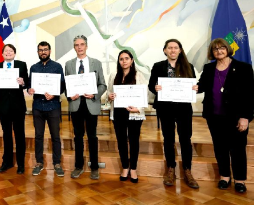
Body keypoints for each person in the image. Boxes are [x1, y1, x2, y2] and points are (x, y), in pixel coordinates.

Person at [196, 38, 254, 193]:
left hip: (236, 117)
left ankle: (240, 180)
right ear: (212, 52)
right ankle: (225, 177)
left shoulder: (243, 68)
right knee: (220, 148)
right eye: (215, 49)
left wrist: (245, 117)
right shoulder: (208, 69)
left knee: (238, 149)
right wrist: (189, 87)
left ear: (228, 49)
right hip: (214, 116)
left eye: (222, 48)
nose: (219, 51)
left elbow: (249, 95)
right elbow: (201, 86)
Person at [148, 39, 199, 188]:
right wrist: (155, 88)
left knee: (185, 139)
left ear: (180, 50)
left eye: (175, 48)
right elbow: (152, 85)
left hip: (183, 109)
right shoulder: (158, 66)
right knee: (168, 139)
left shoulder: (188, 66)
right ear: (165, 50)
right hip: (165, 108)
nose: (172, 50)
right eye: (169, 48)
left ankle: (187, 170)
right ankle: (171, 169)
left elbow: (193, 84)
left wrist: (194, 88)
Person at [65, 35, 107, 180]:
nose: (80, 47)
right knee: (77, 137)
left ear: (86, 46)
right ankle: (78, 166)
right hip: (76, 105)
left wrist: (95, 94)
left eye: (82, 44)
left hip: (91, 104)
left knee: (92, 137)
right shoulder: (69, 64)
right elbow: (67, 85)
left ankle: (94, 167)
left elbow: (103, 84)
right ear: (74, 47)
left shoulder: (96, 63)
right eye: (77, 45)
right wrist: (70, 96)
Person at [107, 50, 146, 183]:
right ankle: (125, 167)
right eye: (121, 59)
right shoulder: (114, 75)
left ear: (132, 60)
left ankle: (133, 168)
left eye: (126, 58)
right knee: (121, 141)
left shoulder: (138, 75)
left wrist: (138, 108)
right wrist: (109, 96)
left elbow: (144, 95)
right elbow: (109, 92)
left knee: (134, 141)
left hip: (134, 113)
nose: (124, 61)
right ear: (119, 61)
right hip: (118, 113)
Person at [28, 41, 65, 177]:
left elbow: (62, 86)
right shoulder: (33, 68)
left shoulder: (57, 66)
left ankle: (57, 163)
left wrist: (54, 94)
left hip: (53, 106)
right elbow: (29, 84)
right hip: (38, 106)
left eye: (45, 50)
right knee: (38, 136)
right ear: (37, 52)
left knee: (55, 136)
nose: (43, 52)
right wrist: (29, 89)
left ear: (50, 51)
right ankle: (39, 163)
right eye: (40, 50)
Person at [0, 44, 28, 174]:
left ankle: (21, 164)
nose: (8, 52)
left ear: (14, 53)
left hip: (18, 105)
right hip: (3, 106)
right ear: (2, 54)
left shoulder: (22, 65)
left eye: (11, 50)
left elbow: (27, 83)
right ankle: (7, 162)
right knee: (6, 135)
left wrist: (23, 82)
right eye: (6, 51)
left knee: (19, 135)